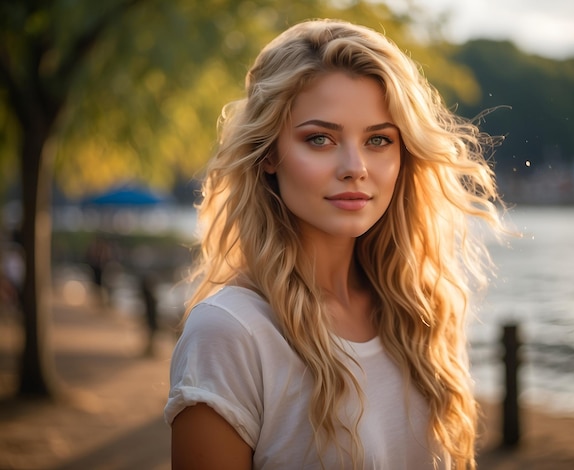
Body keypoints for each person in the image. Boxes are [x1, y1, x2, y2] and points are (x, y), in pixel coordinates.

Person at [165, 19, 505, 470]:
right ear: (268, 153)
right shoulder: (230, 333)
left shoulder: (420, 312)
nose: (355, 167)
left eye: (378, 139)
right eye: (320, 139)